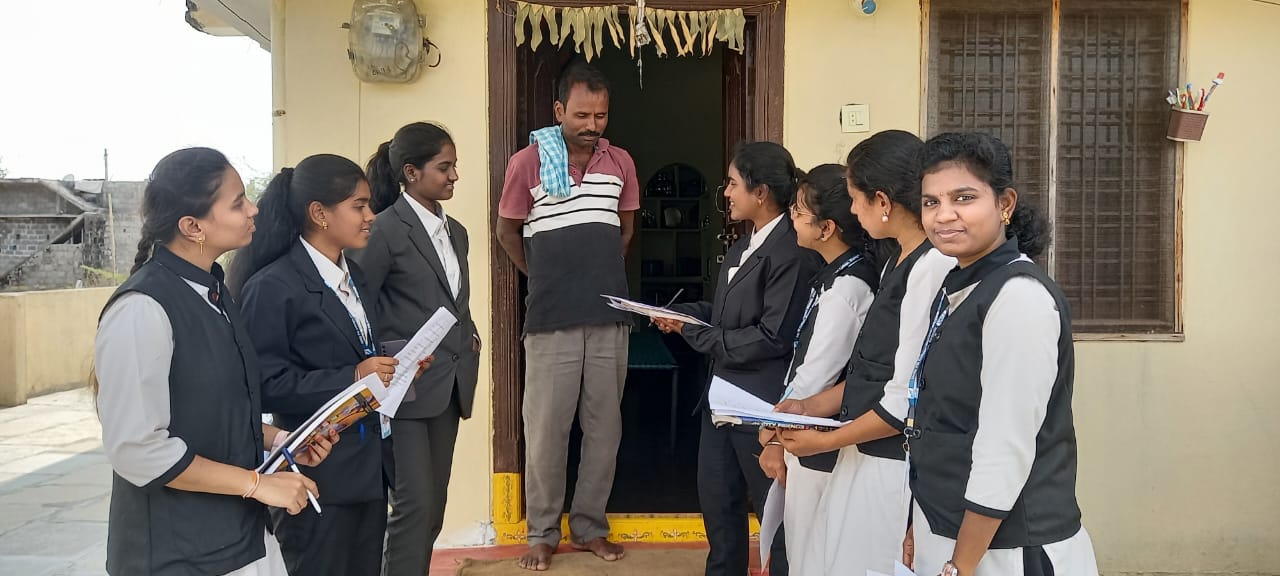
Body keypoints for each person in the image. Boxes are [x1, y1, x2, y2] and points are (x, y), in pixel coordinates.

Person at [93, 147, 337, 575]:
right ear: (193, 226)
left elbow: (214, 412)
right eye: (238, 203)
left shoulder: (214, 293)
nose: (253, 209)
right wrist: (258, 484)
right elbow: (137, 449)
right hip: (179, 554)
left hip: (239, 537)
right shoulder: (142, 309)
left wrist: (282, 441)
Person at [907, 132, 1098, 576]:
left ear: (1005, 204)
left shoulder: (1018, 298)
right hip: (952, 530)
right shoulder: (959, 286)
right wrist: (918, 523)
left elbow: (1003, 449)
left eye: (964, 198)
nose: (944, 215)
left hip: (1007, 550)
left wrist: (959, 566)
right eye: (931, 202)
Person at [772, 130, 954, 575]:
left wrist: (825, 439)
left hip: (892, 460)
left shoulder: (930, 267)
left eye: (856, 199)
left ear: (883, 201)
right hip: (862, 449)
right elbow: (872, 374)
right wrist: (807, 408)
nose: (852, 211)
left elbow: (905, 397)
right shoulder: (895, 261)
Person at [228, 154, 418, 576]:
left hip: (369, 471)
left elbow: (356, 353)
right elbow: (266, 385)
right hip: (317, 476)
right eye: (358, 206)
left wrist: (397, 369)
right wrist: (353, 377)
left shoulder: (356, 278)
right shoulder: (274, 287)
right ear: (319, 214)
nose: (370, 216)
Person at [654, 141, 823, 576]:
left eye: (732, 184)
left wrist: (695, 334)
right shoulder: (745, 244)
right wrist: (683, 315)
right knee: (718, 507)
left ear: (760, 191)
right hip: (722, 402)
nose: (726, 193)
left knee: (774, 521)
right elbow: (727, 315)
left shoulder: (791, 251)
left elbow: (771, 337)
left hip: (760, 405)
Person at [495, 62, 638, 571]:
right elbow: (507, 231)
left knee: (604, 430)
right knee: (546, 432)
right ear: (558, 110)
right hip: (550, 317)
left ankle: (589, 527)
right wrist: (544, 276)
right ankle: (541, 533)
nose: (592, 125)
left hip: (608, 317)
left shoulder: (620, 162)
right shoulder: (527, 162)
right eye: (581, 114)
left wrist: (595, 275)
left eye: (600, 115)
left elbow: (624, 230)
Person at [354, 121, 481, 576]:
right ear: (411, 172)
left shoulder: (457, 232)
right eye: (444, 167)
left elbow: (454, 300)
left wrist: (471, 336)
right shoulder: (385, 230)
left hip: (449, 385)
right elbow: (360, 304)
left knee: (434, 507)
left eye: (454, 166)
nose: (454, 176)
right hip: (403, 388)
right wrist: (382, 359)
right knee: (413, 504)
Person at [753, 164, 881, 576]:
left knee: (809, 552)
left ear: (826, 228)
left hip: (819, 440)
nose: (791, 218)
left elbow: (818, 373)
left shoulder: (847, 288)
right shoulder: (834, 274)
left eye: (798, 212)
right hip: (808, 429)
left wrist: (775, 431)